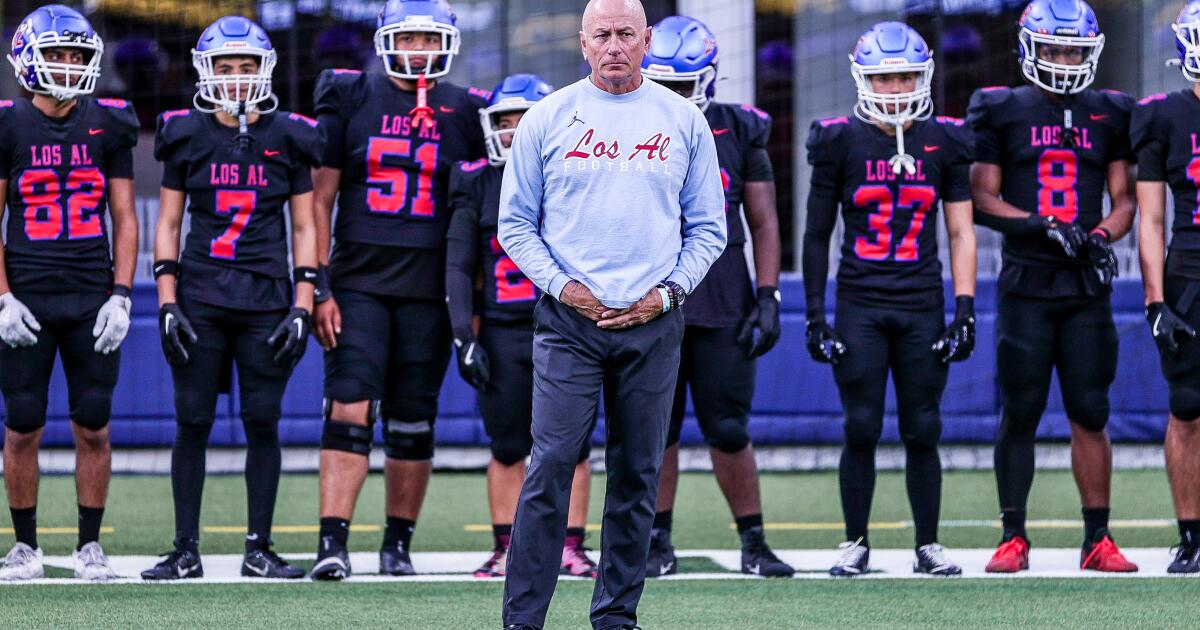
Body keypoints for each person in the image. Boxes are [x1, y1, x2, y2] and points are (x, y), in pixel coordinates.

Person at [498, 0, 726, 626]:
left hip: (653, 323)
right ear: (583, 43)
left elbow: (709, 230)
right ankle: (523, 619)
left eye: (627, 33)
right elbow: (514, 225)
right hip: (569, 324)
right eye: (603, 35)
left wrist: (669, 293)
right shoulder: (548, 117)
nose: (615, 45)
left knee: (636, 475)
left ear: (648, 39)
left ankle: (615, 617)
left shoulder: (683, 120)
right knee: (549, 466)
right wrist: (562, 286)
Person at [309, 0, 489, 580]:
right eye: (408, 38)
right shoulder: (351, 95)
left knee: (413, 420)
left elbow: (478, 211)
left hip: (432, 289)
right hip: (359, 281)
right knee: (350, 406)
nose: (417, 50)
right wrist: (319, 284)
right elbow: (319, 200)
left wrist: (472, 301)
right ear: (388, 39)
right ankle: (332, 544)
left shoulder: (465, 110)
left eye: (427, 39)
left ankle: (397, 545)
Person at [140, 16, 321, 580]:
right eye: (226, 67)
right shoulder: (185, 133)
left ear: (264, 71)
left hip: (266, 299)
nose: (238, 79)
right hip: (201, 297)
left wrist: (303, 302)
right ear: (206, 71)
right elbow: (168, 223)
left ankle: (258, 547)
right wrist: (167, 299)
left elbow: (306, 227)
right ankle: (185, 548)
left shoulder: (288, 134)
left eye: (247, 68)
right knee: (191, 421)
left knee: (262, 421)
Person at [967, 0, 1137, 573]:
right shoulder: (1001, 110)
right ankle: (1013, 536)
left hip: (1086, 285)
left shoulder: (1109, 112)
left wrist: (1099, 235)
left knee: (1090, 410)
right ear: (1028, 49)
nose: (1064, 61)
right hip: (1025, 284)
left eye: (1073, 50)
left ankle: (1098, 538)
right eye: (1054, 49)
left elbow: (1125, 201)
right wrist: (1039, 225)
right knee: (1021, 409)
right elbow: (982, 198)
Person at [803, 22, 977, 577]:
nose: (896, 88)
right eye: (884, 78)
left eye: (905, 76)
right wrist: (814, 315)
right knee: (861, 426)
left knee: (923, 426)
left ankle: (928, 543)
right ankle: (856, 541)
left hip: (921, 300)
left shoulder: (943, 140)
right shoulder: (838, 140)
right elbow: (815, 234)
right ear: (863, 79)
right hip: (860, 302)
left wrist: (965, 308)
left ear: (922, 76)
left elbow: (960, 232)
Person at [639, 15, 791, 578]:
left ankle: (753, 541)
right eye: (666, 85)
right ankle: (655, 541)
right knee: (658, 428)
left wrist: (769, 294)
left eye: (684, 85)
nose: (675, 99)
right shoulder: (621, 126)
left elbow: (764, 219)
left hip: (723, 298)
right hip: (650, 298)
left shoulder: (739, 128)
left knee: (728, 426)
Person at [0, 4, 137, 581]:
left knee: (94, 425)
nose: (67, 64)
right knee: (23, 424)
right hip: (26, 297)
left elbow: (125, 218)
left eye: (76, 55)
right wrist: (2, 297)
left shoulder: (111, 122)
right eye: (55, 53)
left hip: (90, 295)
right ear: (29, 57)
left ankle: (88, 545)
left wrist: (123, 294)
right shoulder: (7, 124)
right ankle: (26, 546)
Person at [446, 73, 599, 580]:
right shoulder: (475, 179)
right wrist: (464, 336)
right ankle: (507, 545)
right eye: (504, 122)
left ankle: (570, 546)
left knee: (573, 443)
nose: (512, 132)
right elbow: (458, 264)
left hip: (565, 324)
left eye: (523, 121)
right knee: (508, 443)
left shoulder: (576, 175)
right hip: (504, 328)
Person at [1132, 0, 1200, 575]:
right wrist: (1156, 301)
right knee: (1188, 409)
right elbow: (1149, 218)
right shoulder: (1163, 117)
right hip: (1190, 272)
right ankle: (1193, 535)